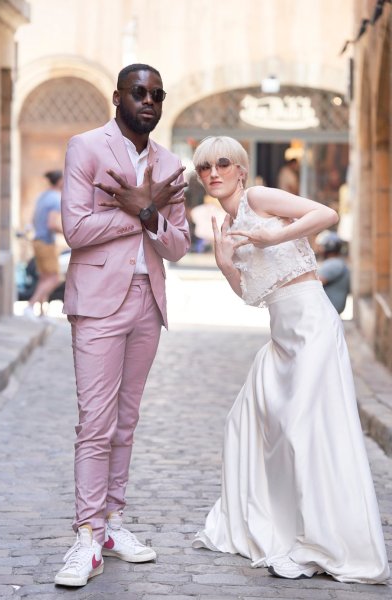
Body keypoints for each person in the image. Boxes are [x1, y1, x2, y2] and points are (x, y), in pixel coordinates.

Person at [191, 136, 389, 584]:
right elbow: (252, 294)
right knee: (244, 422)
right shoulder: (227, 223)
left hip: (312, 326)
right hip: (280, 337)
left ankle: (322, 543)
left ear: (241, 170)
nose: (213, 173)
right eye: (205, 167)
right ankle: (281, 525)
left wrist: (274, 233)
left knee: (304, 429)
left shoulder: (259, 197)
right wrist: (226, 264)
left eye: (223, 163)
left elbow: (327, 214)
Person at [55, 64, 190, 587]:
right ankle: (86, 534)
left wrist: (153, 213)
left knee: (126, 422)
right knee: (96, 422)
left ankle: (112, 523)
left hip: (146, 303)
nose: (150, 101)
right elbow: (76, 229)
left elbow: (177, 246)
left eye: (157, 93)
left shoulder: (171, 164)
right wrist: (138, 209)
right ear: (118, 97)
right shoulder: (85, 147)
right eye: (140, 93)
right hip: (96, 303)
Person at [24, 170, 63, 318]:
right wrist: (68, 233)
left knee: (44, 278)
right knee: (54, 278)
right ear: (59, 181)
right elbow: (52, 224)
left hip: (37, 240)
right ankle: (30, 306)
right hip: (46, 242)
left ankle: (41, 314)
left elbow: (34, 219)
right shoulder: (55, 198)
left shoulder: (43, 196)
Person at [315, 230, 350, 314]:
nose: (319, 249)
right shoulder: (337, 262)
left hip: (328, 309)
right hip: (330, 309)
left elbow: (315, 283)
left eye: (321, 246)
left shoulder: (333, 264)